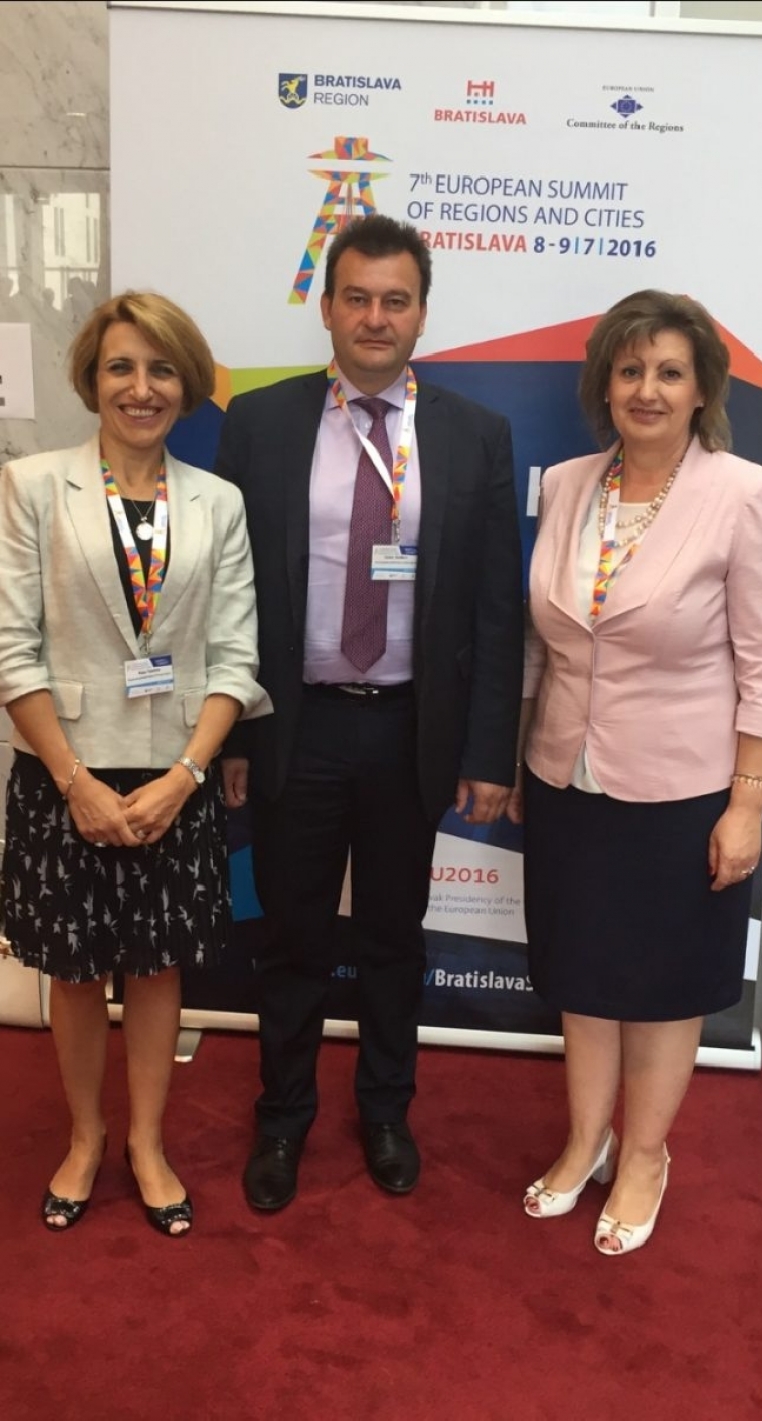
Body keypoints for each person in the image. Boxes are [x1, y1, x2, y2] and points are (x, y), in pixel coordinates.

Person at [216, 214, 523, 1211]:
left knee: (394, 936)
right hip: (293, 724)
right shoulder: (260, 423)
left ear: (422, 314)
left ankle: (386, 1110)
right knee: (293, 938)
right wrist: (231, 731)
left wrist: (488, 751)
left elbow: (495, 610)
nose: (375, 317)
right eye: (357, 297)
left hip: (408, 730)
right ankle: (283, 1117)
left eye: (395, 300)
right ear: (327, 307)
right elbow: (228, 593)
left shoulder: (474, 435)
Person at [509, 289, 762, 1256]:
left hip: (685, 790)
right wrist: (521, 756)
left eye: (670, 372)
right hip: (566, 777)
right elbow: (544, 642)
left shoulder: (746, 495)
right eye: (630, 369)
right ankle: (585, 1138)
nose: (647, 389)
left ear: (702, 387)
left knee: (665, 982)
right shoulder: (568, 485)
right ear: (605, 382)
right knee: (583, 973)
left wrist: (748, 805)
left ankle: (644, 1155)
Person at [0, 292, 269, 1236]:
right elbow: (12, 649)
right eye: (121, 366)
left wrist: (186, 777)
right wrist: (74, 781)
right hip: (63, 772)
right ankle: (86, 1137)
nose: (140, 388)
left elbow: (235, 659)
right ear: (92, 378)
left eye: (160, 370)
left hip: (173, 777)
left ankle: (148, 1143)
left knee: (157, 970)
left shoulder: (218, 503)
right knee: (75, 972)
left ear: (186, 385)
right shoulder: (34, 486)